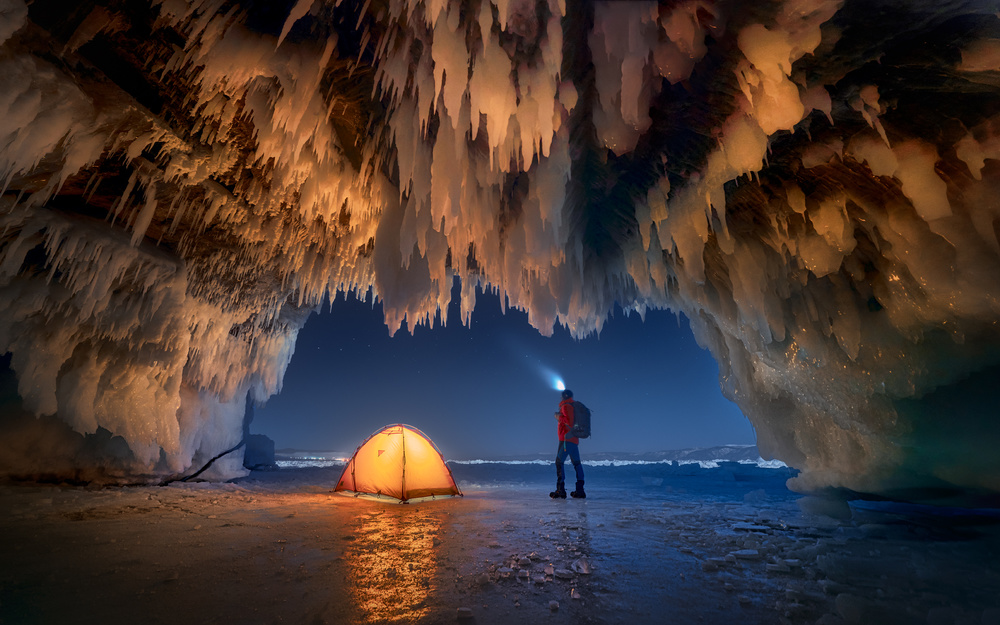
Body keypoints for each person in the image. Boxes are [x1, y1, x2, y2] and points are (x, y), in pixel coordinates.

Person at [550, 389, 586, 499]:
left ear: (564, 396)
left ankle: (560, 490)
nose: (560, 398)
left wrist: (558, 417)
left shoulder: (566, 406)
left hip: (566, 440)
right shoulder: (573, 406)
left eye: (561, 397)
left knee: (559, 462)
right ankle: (580, 490)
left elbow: (568, 421)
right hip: (573, 440)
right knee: (577, 464)